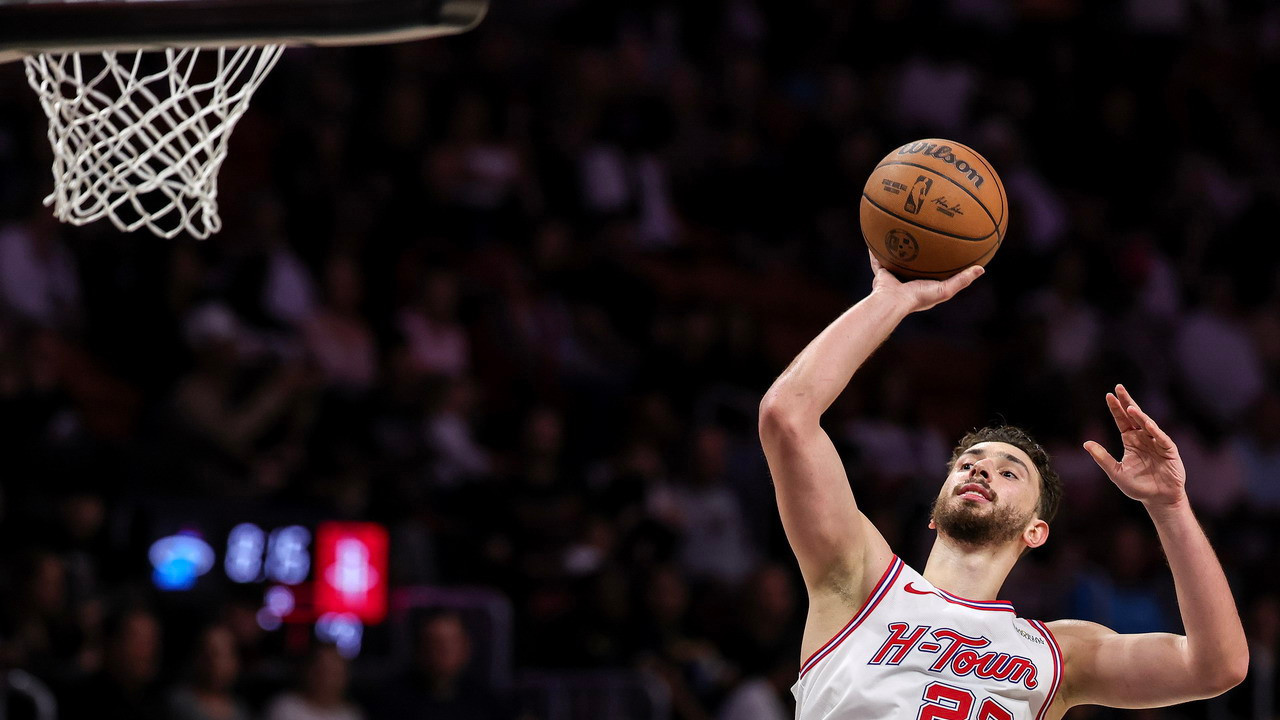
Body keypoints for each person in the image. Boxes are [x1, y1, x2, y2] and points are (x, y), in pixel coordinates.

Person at [757, 253, 1248, 719]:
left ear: (1036, 531)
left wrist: (1170, 506)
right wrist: (892, 299)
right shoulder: (861, 579)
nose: (980, 470)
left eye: (1009, 472)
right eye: (967, 463)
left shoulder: (1059, 654)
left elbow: (1216, 666)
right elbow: (788, 415)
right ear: (934, 512)